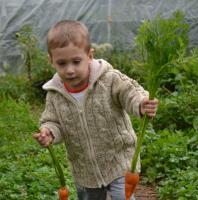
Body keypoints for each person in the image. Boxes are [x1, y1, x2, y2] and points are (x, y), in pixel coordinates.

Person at [33, 20, 158, 200]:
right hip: (85, 171)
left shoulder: (109, 79)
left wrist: (141, 103)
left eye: (76, 61)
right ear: (51, 61)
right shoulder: (55, 94)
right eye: (62, 63)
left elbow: (130, 93)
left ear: (90, 55)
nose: (70, 70)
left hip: (119, 161)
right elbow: (53, 121)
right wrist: (49, 133)